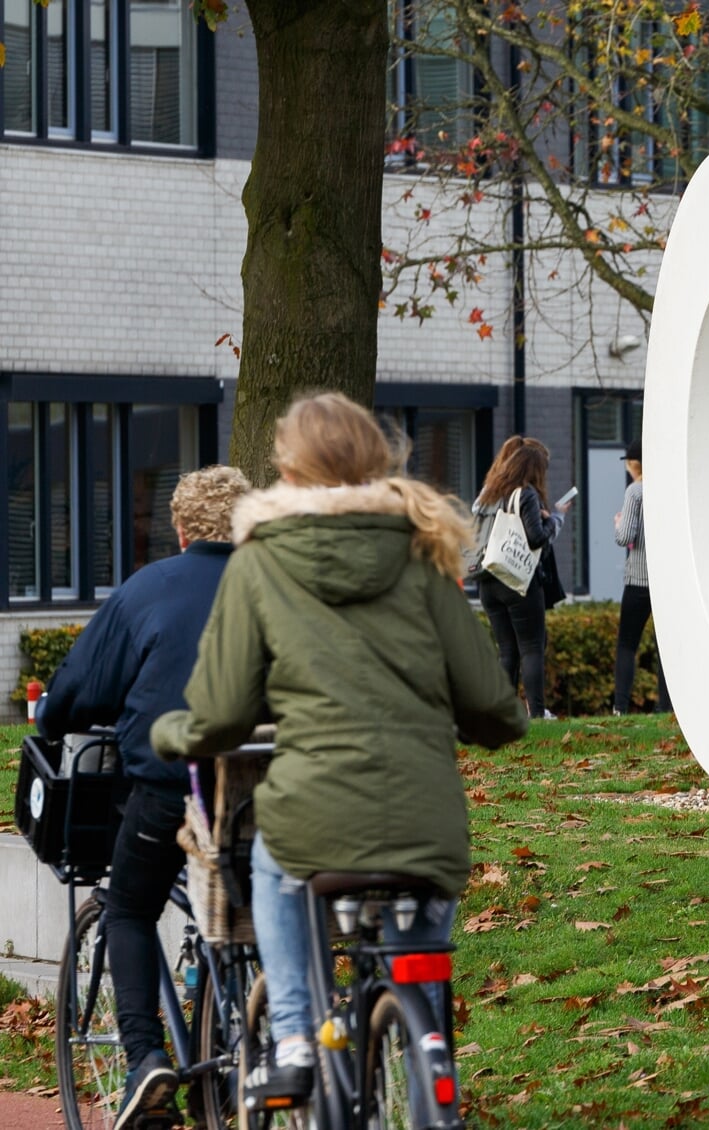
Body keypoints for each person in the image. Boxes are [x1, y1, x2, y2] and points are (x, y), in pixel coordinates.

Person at [152, 394, 527, 1106]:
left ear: (288, 471)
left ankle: (293, 1038)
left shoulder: (260, 562)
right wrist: (488, 722)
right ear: (379, 460)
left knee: (272, 862)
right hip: (428, 825)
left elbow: (222, 713)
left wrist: (173, 732)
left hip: (311, 822)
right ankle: (420, 1063)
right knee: (420, 975)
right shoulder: (423, 553)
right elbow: (489, 706)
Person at [37, 465, 252, 1130]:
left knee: (129, 907)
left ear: (181, 529)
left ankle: (144, 1059)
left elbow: (77, 693)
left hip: (169, 785)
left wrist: (53, 714)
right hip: (269, 787)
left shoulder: (145, 590)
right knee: (252, 909)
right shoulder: (283, 586)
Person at [471, 436, 571, 719]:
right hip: (517, 581)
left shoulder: (489, 494)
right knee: (531, 648)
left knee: (506, 651)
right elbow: (536, 538)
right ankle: (537, 714)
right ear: (533, 470)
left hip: (488, 580)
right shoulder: (525, 494)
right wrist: (551, 519)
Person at [612, 438, 653, 714]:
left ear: (631, 464)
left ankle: (620, 706)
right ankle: (666, 707)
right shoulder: (666, 489)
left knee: (627, 644)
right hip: (664, 584)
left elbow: (625, 536)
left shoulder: (635, 492)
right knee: (666, 650)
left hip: (638, 579)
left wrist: (618, 523)